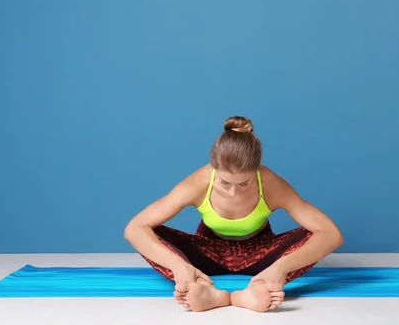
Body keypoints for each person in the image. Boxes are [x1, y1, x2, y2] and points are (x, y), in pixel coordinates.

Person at [124, 116, 344, 312]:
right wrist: (178, 267)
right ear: (214, 168)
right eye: (224, 182)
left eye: (244, 183)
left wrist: (280, 268)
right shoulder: (199, 182)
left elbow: (331, 234)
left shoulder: (270, 183)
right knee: (151, 234)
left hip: (262, 255)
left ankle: (257, 289)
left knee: (313, 236)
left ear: (257, 170)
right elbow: (134, 228)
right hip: (207, 254)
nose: (233, 191)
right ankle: (201, 288)